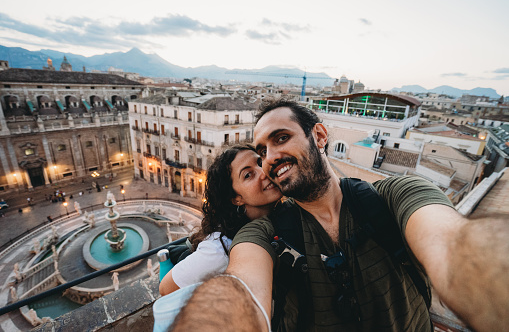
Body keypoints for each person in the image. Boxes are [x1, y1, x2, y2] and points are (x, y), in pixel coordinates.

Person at [171, 100, 509, 332]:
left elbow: (452, 246)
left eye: (281, 138)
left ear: (318, 136)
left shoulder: (393, 197)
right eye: (261, 151)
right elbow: (244, 290)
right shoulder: (264, 232)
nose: (270, 158)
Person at [154, 145, 282, 330]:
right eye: (248, 175)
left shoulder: (280, 213)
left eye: (260, 162)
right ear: (237, 199)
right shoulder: (219, 250)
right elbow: (166, 288)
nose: (263, 172)